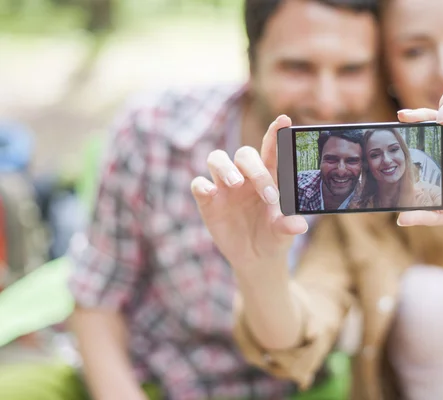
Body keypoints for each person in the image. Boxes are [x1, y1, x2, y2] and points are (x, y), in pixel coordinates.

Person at [191, 1, 443, 400]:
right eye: (414, 50)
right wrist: (259, 269)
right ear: (388, 72)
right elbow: (297, 335)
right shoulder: (365, 198)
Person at [0, 1, 383, 399]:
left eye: (351, 70)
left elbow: (306, 332)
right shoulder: (153, 132)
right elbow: (98, 297)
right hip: (146, 375)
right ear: (251, 64)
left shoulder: (378, 176)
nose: (325, 100)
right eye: (297, 68)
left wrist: (260, 267)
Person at [348, 128, 415, 209]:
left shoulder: (431, 197)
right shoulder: (357, 207)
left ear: (404, 152)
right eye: (375, 155)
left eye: (393, 149)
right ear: (366, 164)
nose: (387, 160)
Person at [297, 130, 363, 211]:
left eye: (352, 161)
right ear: (320, 160)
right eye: (331, 159)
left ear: (363, 164)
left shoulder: (371, 200)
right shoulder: (296, 185)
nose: (341, 172)